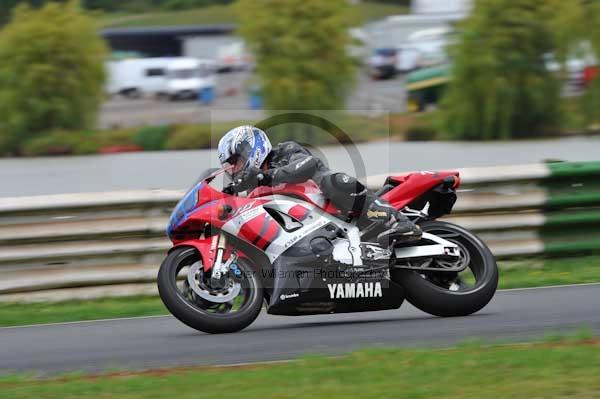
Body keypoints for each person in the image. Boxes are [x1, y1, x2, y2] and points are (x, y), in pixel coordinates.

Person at [217, 125, 422, 246]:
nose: (236, 168)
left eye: (238, 161)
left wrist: (265, 176)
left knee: (334, 181)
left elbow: (307, 165)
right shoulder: (255, 188)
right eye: (231, 166)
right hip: (314, 227)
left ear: (253, 147)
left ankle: (399, 221)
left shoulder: (285, 151)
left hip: (336, 204)